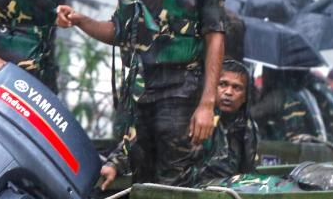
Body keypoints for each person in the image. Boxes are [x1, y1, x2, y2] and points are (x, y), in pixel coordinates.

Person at [57, 0, 225, 185]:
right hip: (138, 93)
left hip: (181, 91)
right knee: (141, 182)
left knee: (174, 184)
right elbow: (120, 31)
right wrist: (82, 20)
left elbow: (215, 35)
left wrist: (207, 102)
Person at [100, 59, 258, 189]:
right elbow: (141, 136)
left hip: (225, 196)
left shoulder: (248, 128)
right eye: (223, 84)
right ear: (211, 88)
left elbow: (247, 170)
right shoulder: (193, 115)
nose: (229, 92)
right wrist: (114, 164)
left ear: (245, 96)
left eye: (237, 88)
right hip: (183, 190)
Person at [251, 68, 325, 142]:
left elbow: (253, 114)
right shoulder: (308, 94)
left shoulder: (280, 95)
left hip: (293, 147)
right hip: (316, 147)